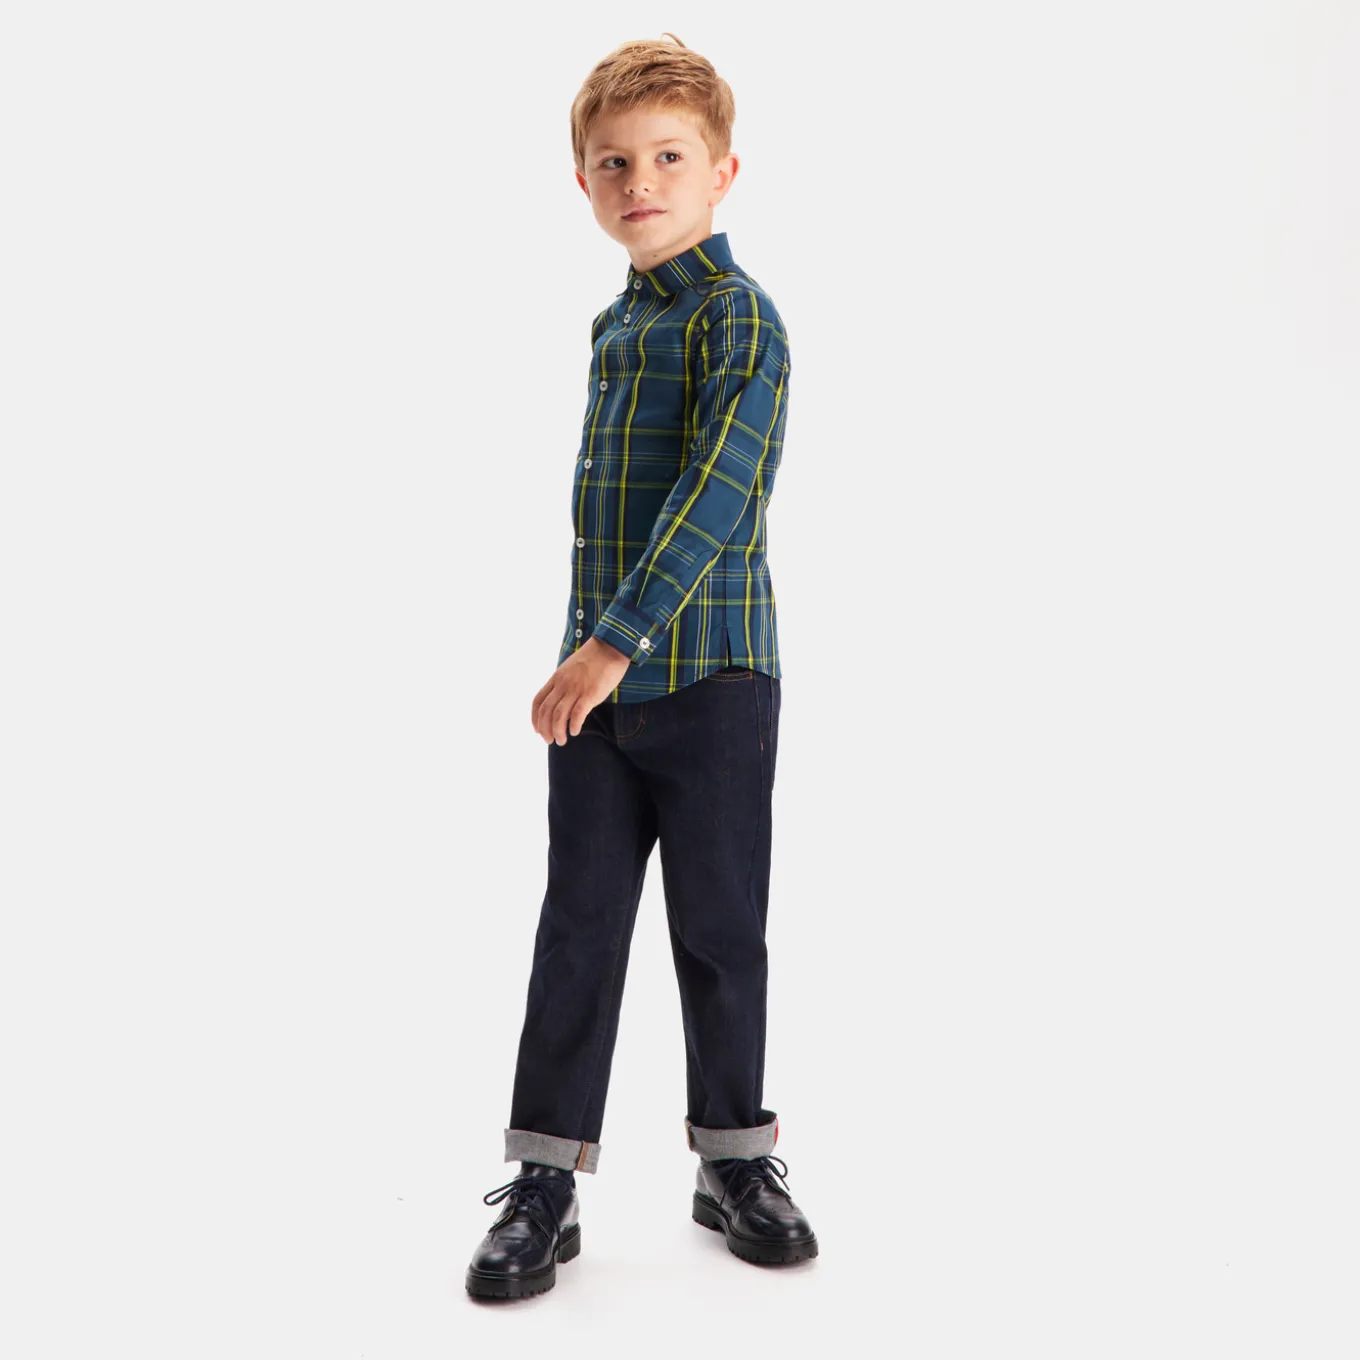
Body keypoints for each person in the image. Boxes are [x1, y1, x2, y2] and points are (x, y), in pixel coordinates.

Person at [464, 32, 817, 1301]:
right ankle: (544, 1180)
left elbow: (720, 493)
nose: (639, 182)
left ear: (723, 172)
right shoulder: (615, 326)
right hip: (600, 694)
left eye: (668, 157)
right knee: (577, 928)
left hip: (712, 678)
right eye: (613, 163)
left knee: (719, 930)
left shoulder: (739, 318)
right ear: (584, 183)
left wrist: (611, 643)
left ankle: (734, 1161)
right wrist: (589, 655)